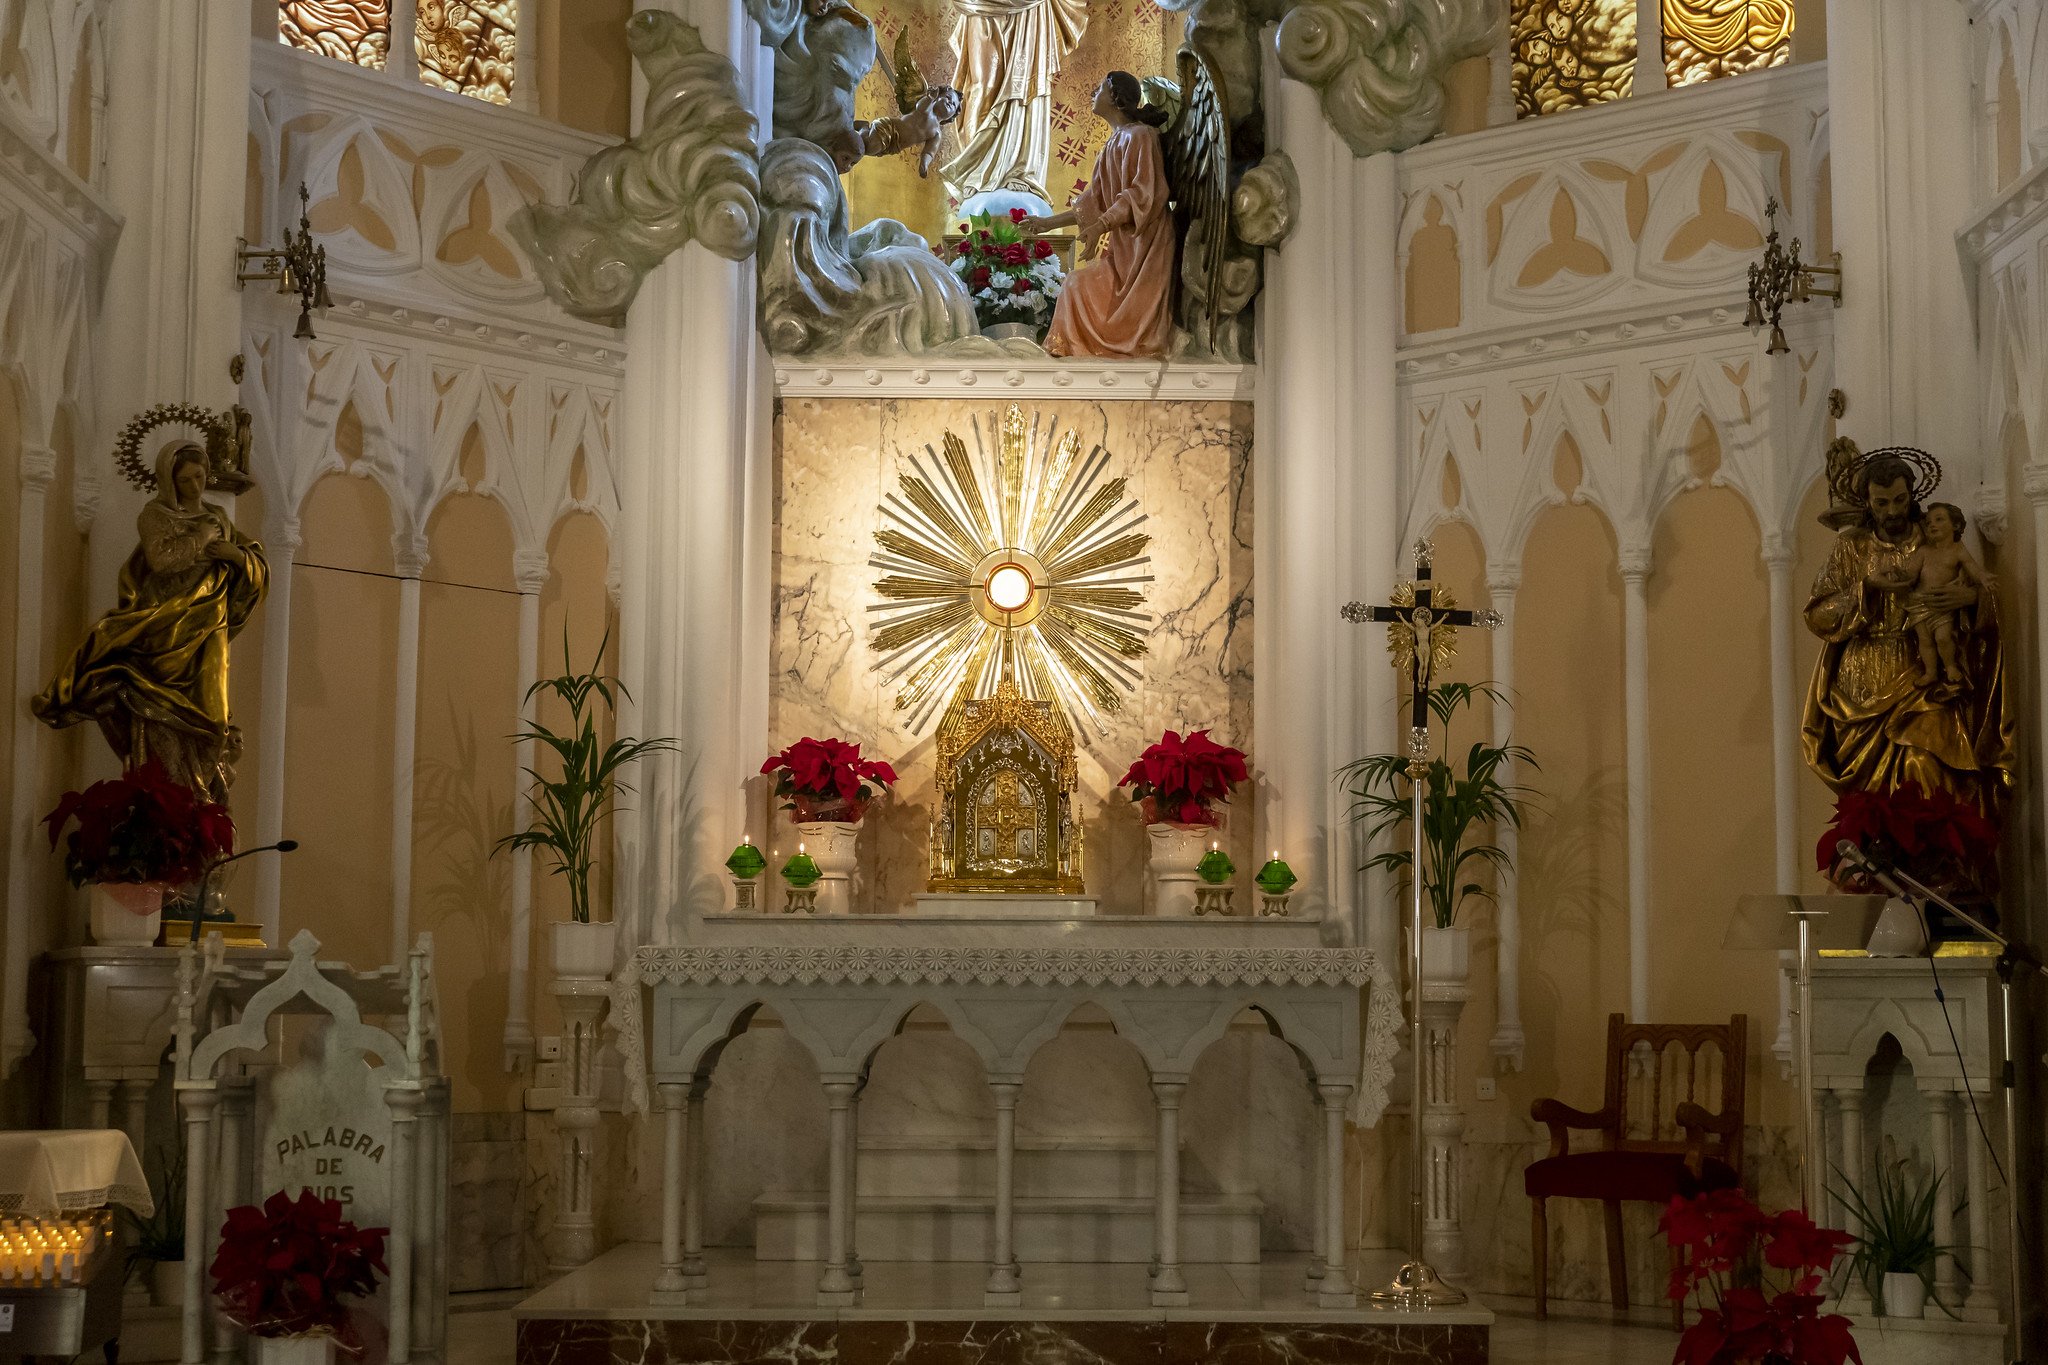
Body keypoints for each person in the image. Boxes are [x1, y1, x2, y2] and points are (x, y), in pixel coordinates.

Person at [35, 443, 269, 801]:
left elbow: (252, 564)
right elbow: (161, 561)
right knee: (156, 711)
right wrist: (201, 538)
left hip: (207, 629)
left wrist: (236, 556)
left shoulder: (218, 514)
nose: (196, 483)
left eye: (200, 475)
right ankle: (165, 804)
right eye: (186, 479)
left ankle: (201, 800)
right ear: (170, 481)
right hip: (163, 628)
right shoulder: (155, 515)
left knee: (214, 720)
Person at [1801, 451, 2013, 823]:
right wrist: (1867, 588)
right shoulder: (1851, 547)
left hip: (1923, 669)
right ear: (1867, 501)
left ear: (1912, 494)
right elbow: (1818, 615)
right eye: (1881, 503)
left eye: (1900, 500)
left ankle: (1940, 866)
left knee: (1926, 761)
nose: (1893, 511)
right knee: (1870, 798)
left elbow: (1979, 592)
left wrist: (1970, 599)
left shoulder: (1935, 538)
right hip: (1862, 679)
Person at [1019, 73, 1174, 360]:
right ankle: (1068, 359)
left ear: (1116, 96)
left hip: (1146, 249)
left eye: (1099, 87)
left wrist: (1101, 226)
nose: (1092, 91)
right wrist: (1046, 224)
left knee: (1076, 287)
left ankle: (1122, 347)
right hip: (1125, 250)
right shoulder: (1112, 146)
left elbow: (1142, 195)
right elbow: (1092, 204)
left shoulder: (1141, 136)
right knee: (1075, 285)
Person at [1866, 502, 1985, 688]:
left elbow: (1973, 571)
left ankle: (1950, 666)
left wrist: (1980, 584)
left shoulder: (1958, 551)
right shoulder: (1924, 551)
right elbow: (1911, 575)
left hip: (1941, 606)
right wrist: (1893, 575)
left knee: (1943, 638)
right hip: (1920, 604)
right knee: (1925, 640)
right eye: (1928, 522)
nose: (1892, 509)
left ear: (1955, 525)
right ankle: (1931, 672)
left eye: (1899, 499)